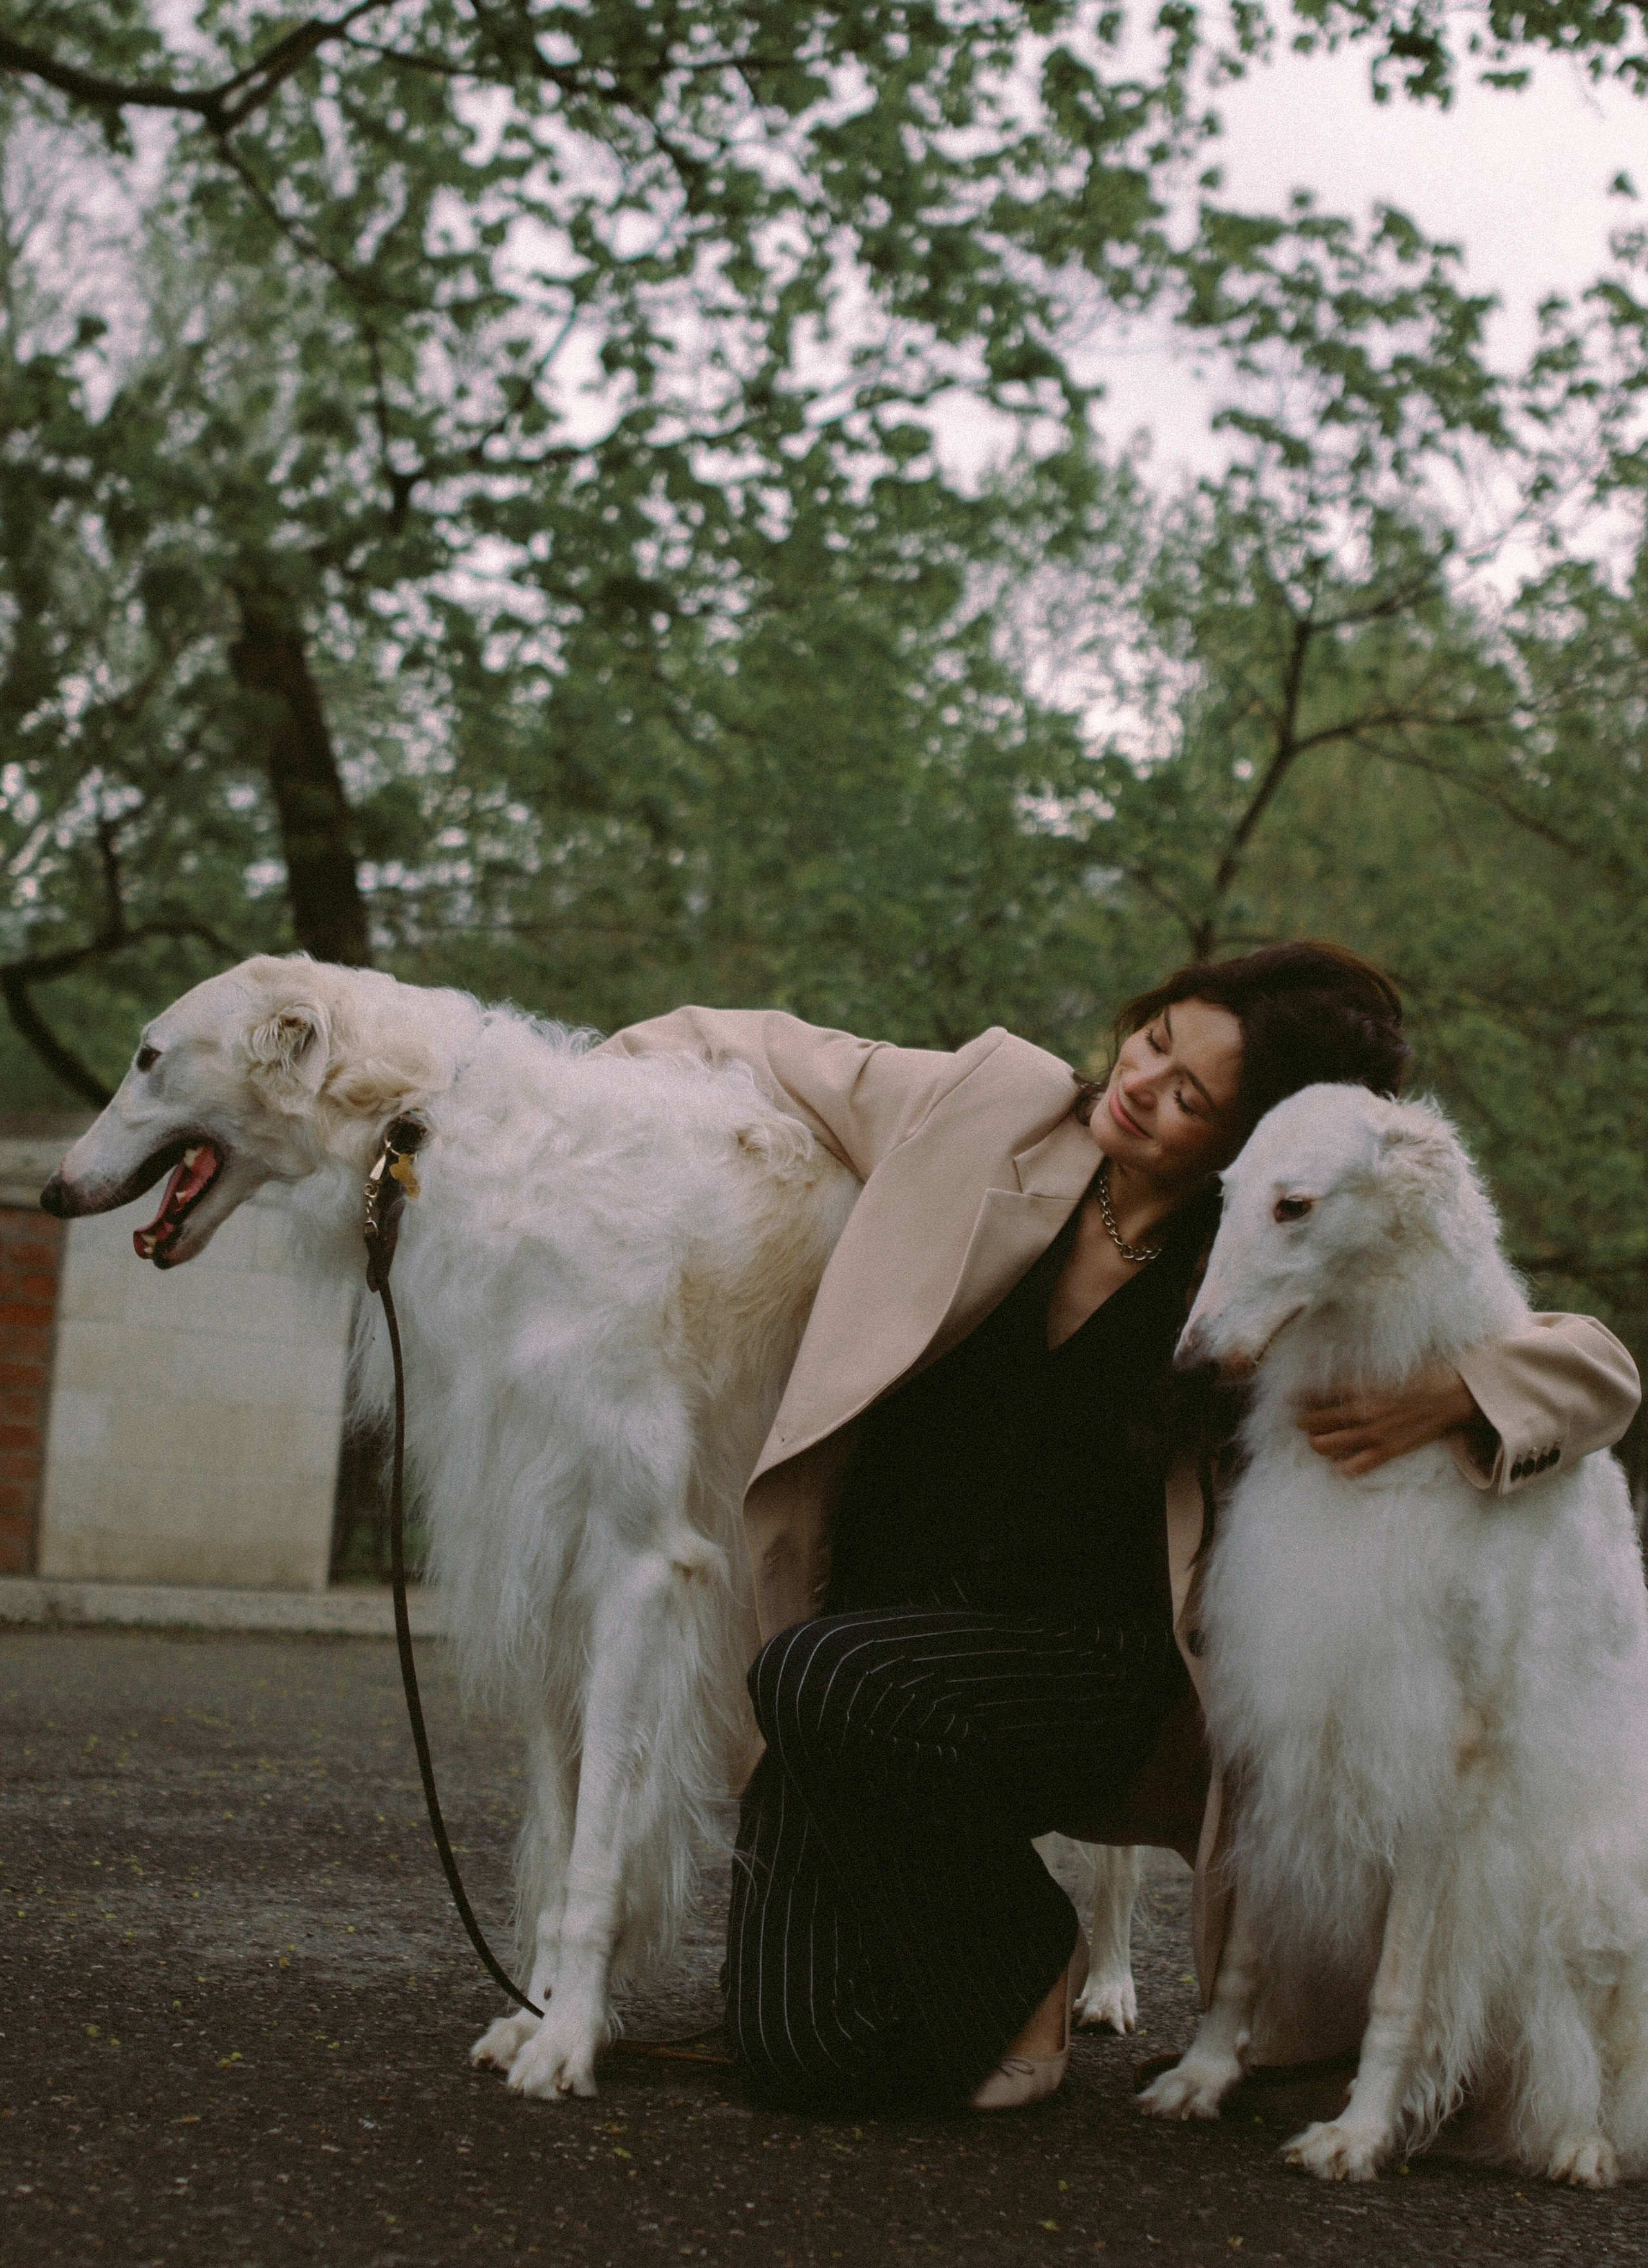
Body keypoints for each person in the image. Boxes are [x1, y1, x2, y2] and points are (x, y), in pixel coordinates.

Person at [598, 944, 1640, 2110]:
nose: (1141, 1083)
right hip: (868, 1657)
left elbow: (1599, 1369)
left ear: (1249, 1142)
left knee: (807, 1673)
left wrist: (1460, 1395)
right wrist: (573, 1099)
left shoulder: (1265, 1268)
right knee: (799, 2051)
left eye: (1192, 1095)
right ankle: (959, 1963)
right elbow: (755, 1046)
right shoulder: (986, 1106)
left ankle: (1038, 1958)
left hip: (1080, 1676)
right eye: (1153, 1040)